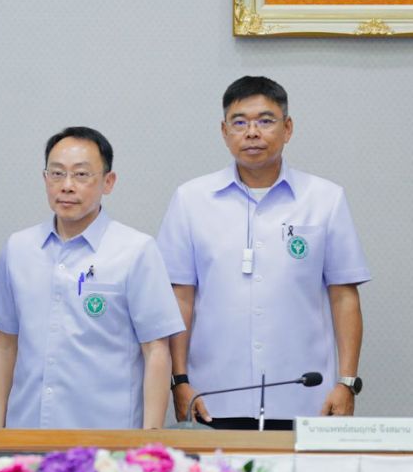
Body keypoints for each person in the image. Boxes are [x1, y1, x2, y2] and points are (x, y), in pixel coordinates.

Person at [156, 76, 369, 430]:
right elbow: (180, 298)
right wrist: (179, 381)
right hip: (212, 396)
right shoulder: (191, 200)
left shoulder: (324, 199)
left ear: (288, 128)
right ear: (224, 132)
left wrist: (346, 383)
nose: (252, 133)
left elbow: (344, 296)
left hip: (306, 398)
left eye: (265, 121)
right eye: (239, 122)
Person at [0, 127, 184, 429]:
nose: (66, 186)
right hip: (27, 430)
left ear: (108, 182)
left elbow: (156, 350)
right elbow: (4, 345)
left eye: (81, 175)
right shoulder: (19, 248)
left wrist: (149, 439)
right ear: (45, 179)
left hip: (107, 434)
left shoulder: (136, 250)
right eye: (57, 174)